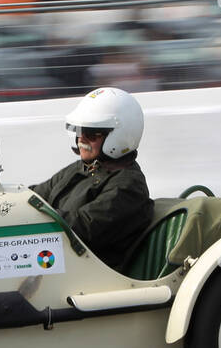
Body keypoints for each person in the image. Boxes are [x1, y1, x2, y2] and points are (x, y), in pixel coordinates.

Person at [29, 87, 154, 272]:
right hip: (62, 263)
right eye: (80, 131)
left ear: (118, 135)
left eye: (92, 133)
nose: (81, 139)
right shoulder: (82, 168)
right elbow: (37, 194)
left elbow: (84, 226)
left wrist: (31, 218)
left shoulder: (128, 185)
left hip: (89, 273)